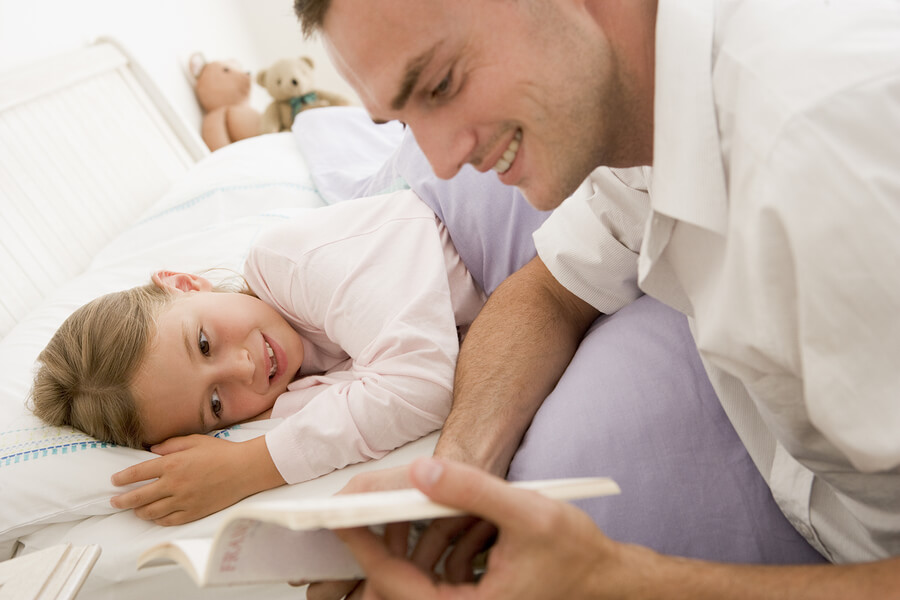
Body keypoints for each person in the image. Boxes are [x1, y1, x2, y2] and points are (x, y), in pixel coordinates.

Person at [292, 0, 900, 597]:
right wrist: (452, 481)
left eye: (442, 84)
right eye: (404, 122)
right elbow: (548, 289)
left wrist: (615, 582)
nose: (444, 163)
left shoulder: (821, 159)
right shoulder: (649, 108)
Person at [31, 190, 485, 525]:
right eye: (214, 404)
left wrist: (246, 467)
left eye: (204, 343)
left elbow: (423, 386)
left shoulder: (291, 262)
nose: (244, 369)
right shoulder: (288, 388)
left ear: (185, 284)